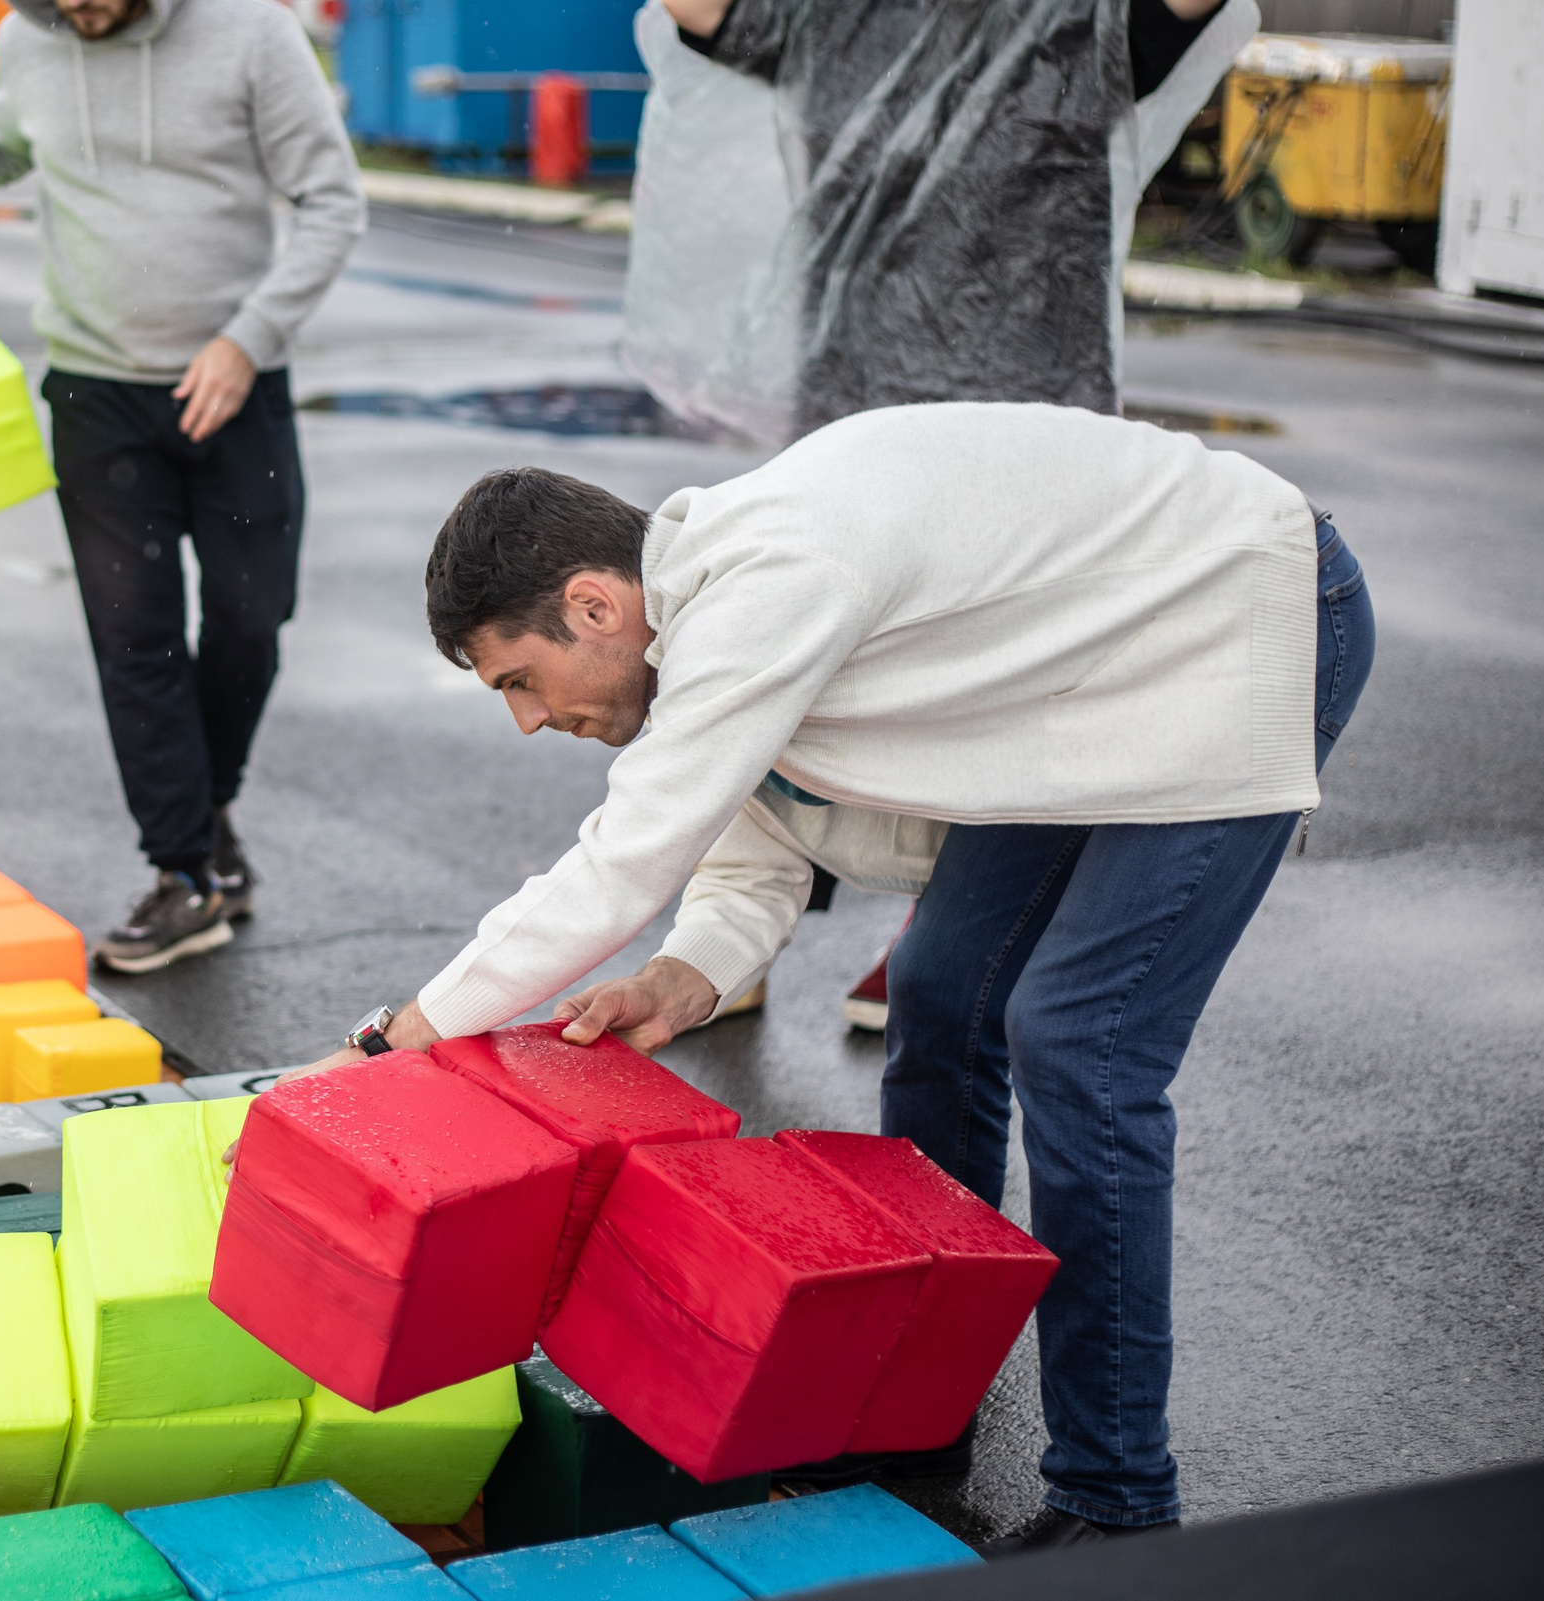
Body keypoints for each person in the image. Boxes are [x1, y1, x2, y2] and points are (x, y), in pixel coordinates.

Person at [306, 402, 1373, 1551]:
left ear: (593, 603)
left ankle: (1116, 1497)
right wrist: (686, 973)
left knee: (1078, 1038)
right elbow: (750, 819)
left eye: (520, 679)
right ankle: (917, 1407)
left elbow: (624, 856)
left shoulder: (770, 574)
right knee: (938, 997)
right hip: (1085, 678)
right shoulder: (709, 619)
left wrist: (395, 1039)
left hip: (1240, 618)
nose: (526, 720)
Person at [646, 0, 1245, 1030]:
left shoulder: (1075, 18)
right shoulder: (827, 15)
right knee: (806, 660)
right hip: (858, 405)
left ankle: (939, 926)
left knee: (974, 676)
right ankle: (733, 923)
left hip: (1022, 428)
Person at [0, 0, 362, 973]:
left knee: (247, 616)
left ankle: (206, 806)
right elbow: (2, 135)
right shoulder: (29, 40)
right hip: (95, 391)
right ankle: (183, 870)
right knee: (132, 635)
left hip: (236, 383)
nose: (81, 13)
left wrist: (247, 338)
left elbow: (332, 201)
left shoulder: (253, 33)